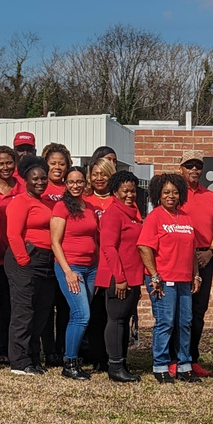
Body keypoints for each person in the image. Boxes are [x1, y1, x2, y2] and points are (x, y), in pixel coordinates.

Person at [138, 173, 201, 384]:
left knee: (185, 323)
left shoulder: (186, 217)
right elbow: (144, 247)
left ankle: (184, 366)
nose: (171, 196)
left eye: (174, 192)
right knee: (165, 323)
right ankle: (161, 366)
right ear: (158, 194)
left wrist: (196, 274)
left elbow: (192, 249)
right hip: (163, 281)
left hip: (184, 280)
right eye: (166, 192)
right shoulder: (155, 217)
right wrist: (154, 276)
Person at [4, 156, 57, 376]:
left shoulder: (48, 202)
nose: (40, 182)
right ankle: (19, 360)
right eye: (35, 178)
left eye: (44, 178)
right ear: (25, 180)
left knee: (42, 312)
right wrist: (24, 260)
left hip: (47, 261)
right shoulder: (20, 201)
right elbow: (13, 234)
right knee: (23, 312)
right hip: (26, 258)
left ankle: (34, 357)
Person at [50, 166, 99, 381]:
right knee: (82, 315)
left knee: (80, 315)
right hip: (72, 268)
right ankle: (69, 363)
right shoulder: (61, 207)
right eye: (71, 182)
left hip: (91, 268)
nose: (76, 185)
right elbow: (55, 242)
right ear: (66, 184)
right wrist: (68, 271)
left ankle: (74, 357)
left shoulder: (88, 207)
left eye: (79, 181)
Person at [179, 150, 213, 378]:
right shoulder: (174, 194)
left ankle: (192, 358)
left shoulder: (211, 196)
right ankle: (173, 358)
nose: (194, 170)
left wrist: (210, 253)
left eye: (198, 166)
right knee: (178, 311)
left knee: (198, 311)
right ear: (181, 168)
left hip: (204, 257)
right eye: (189, 165)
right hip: (178, 257)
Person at [97, 170, 143, 383]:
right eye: (125, 191)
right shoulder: (113, 213)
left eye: (133, 191)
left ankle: (122, 361)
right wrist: (120, 278)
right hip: (119, 276)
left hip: (133, 275)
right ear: (115, 191)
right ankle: (114, 365)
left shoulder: (133, 212)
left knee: (124, 320)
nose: (130, 195)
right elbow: (108, 247)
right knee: (116, 320)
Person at [0, 146, 26, 365]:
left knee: (10, 305)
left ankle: (6, 348)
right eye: (0, 163)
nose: (5, 167)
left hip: (13, 255)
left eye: (9, 162)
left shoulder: (23, 187)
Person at [82, 156, 117, 372]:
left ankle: (114, 355)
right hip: (92, 264)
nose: (99, 178)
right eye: (95, 174)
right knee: (94, 314)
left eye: (103, 173)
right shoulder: (85, 200)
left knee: (112, 314)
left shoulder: (119, 200)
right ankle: (96, 358)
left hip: (114, 265)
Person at [39, 143, 72, 366]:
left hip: (67, 257)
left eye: (62, 163)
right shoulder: (40, 187)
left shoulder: (71, 189)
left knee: (65, 308)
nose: (58, 167)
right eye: (53, 163)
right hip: (44, 254)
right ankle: (48, 351)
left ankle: (61, 350)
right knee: (45, 307)